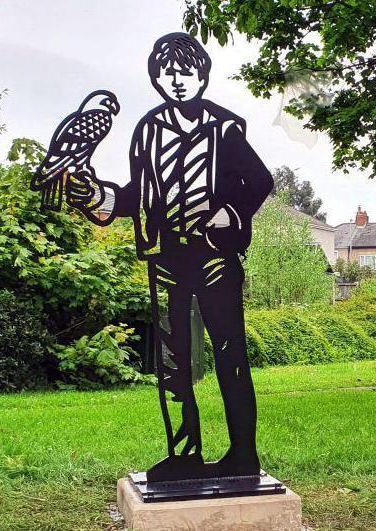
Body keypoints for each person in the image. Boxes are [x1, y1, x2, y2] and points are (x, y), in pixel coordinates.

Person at [66, 32, 273, 481]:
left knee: (229, 355)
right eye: (168, 73)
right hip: (166, 259)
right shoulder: (148, 130)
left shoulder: (226, 128)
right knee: (172, 361)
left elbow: (260, 181)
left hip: (215, 257)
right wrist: (96, 196)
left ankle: (243, 455)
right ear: (157, 78)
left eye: (186, 71)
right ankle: (185, 455)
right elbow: (136, 196)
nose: (177, 80)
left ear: (202, 75)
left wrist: (227, 214)